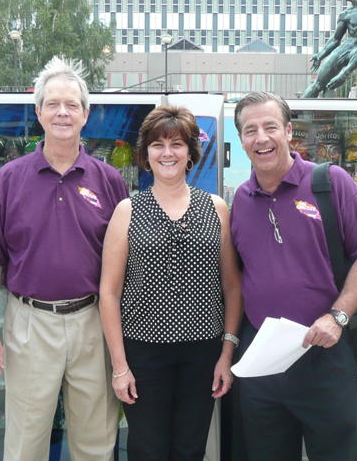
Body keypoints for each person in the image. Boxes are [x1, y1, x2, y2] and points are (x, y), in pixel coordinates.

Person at [0, 57, 128, 461]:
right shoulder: (8, 179)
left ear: (86, 114)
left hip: (93, 320)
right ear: (38, 111)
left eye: (72, 104)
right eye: (53, 103)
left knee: (96, 439)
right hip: (29, 322)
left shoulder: (107, 179)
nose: (62, 112)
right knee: (26, 440)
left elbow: (126, 261)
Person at [230, 92, 357, 460]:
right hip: (263, 361)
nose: (261, 138)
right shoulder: (240, 200)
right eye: (250, 131)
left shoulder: (329, 182)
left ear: (288, 131)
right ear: (241, 141)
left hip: (325, 354)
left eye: (270, 127)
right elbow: (238, 276)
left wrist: (338, 316)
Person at [99, 106, 242, 460]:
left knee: (190, 448)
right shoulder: (128, 210)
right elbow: (109, 292)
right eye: (158, 144)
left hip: (203, 353)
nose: (167, 153)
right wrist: (120, 367)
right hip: (144, 352)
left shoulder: (217, 208)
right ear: (145, 154)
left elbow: (232, 287)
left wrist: (226, 353)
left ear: (190, 152)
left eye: (176, 144)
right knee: (148, 448)